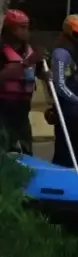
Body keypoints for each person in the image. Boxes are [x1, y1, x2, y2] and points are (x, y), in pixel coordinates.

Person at [50, 15, 78, 168]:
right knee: (65, 150)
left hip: (77, 110)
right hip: (66, 110)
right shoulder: (61, 54)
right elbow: (60, 86)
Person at [0, 10, 41, 154]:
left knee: (26, 147)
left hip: (23, 108)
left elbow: (42, 73)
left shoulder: (30, 50)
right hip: (3, 108)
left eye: (27, 27)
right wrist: (25, 64)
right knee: (5, 146)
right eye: (21, 27)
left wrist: (48, 73)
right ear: (10, 29)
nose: (26, 31)